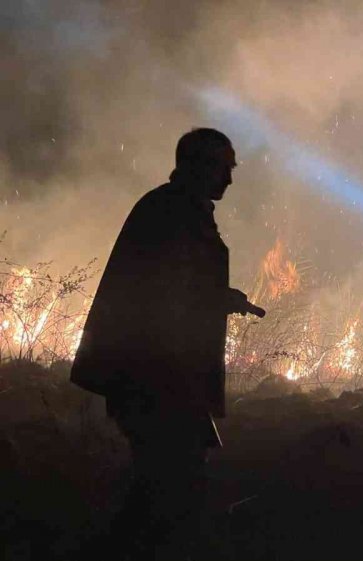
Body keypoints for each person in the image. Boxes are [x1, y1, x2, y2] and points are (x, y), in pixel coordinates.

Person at [71, 128, 265, 559]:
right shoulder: (170, 211)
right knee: (168, 492)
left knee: (161, 490)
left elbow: (181, 288)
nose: (230, 180)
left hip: (166, 380)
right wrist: (218, 298)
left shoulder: (180, 209)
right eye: (224, 168)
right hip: (156, 380)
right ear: (197, 164)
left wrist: (221, 298)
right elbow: (163, 295)